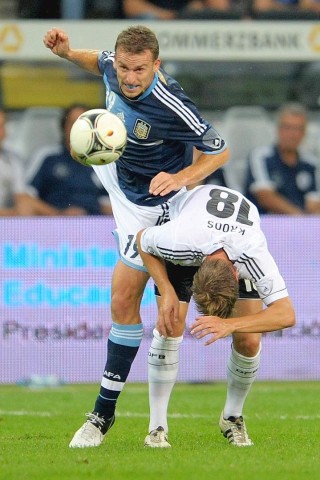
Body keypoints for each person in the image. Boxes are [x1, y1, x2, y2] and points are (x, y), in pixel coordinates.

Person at [43, 25, 229, 448]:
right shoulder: (114, 67)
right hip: (121, 183)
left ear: (156, 65)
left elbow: (220, 150)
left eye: (140, 70)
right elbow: (100, 62)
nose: (129, 77)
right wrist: (69, 54)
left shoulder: (172, 105)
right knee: (123, 301)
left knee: (170, 318)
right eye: (125, 67)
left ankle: (157, 425)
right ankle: (102, 415)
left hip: (160, 208)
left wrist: (182, 177)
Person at [136, 183, 295, 447]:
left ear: (237, 275)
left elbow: (286, 314)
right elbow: (142, 239)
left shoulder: (253, 253)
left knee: (250, 340)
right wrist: (167, 291)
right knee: (170, 324)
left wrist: (232, 324)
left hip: (231, 236)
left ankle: (232, 417)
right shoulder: (177, 242)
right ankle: (157, 427)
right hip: (193, 233)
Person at [26, 104, 112, 216]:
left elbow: (107, 203)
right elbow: (25, 198)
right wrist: (59, 215)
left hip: (93, 227)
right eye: (73, 123)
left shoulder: (103, 162)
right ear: (63, 127)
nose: (78, 129)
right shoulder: (48, 157)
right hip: (53, 226)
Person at [245, 102, 320, 215]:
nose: (293, 134)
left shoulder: (311, 163)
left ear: (304, 132)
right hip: (264, 224)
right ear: (278, 129)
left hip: (303, 227)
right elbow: (265, 197)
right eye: (288, 127)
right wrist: (300, 218)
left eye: (298, 129)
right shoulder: (261, 156)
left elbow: (314, 204)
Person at [122, 0, 235, 20]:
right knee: (147, 19)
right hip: (155, 20)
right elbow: (131, 6)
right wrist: (164, 15)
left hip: (188, 20)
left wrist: (201, 6)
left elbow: (220, 7)